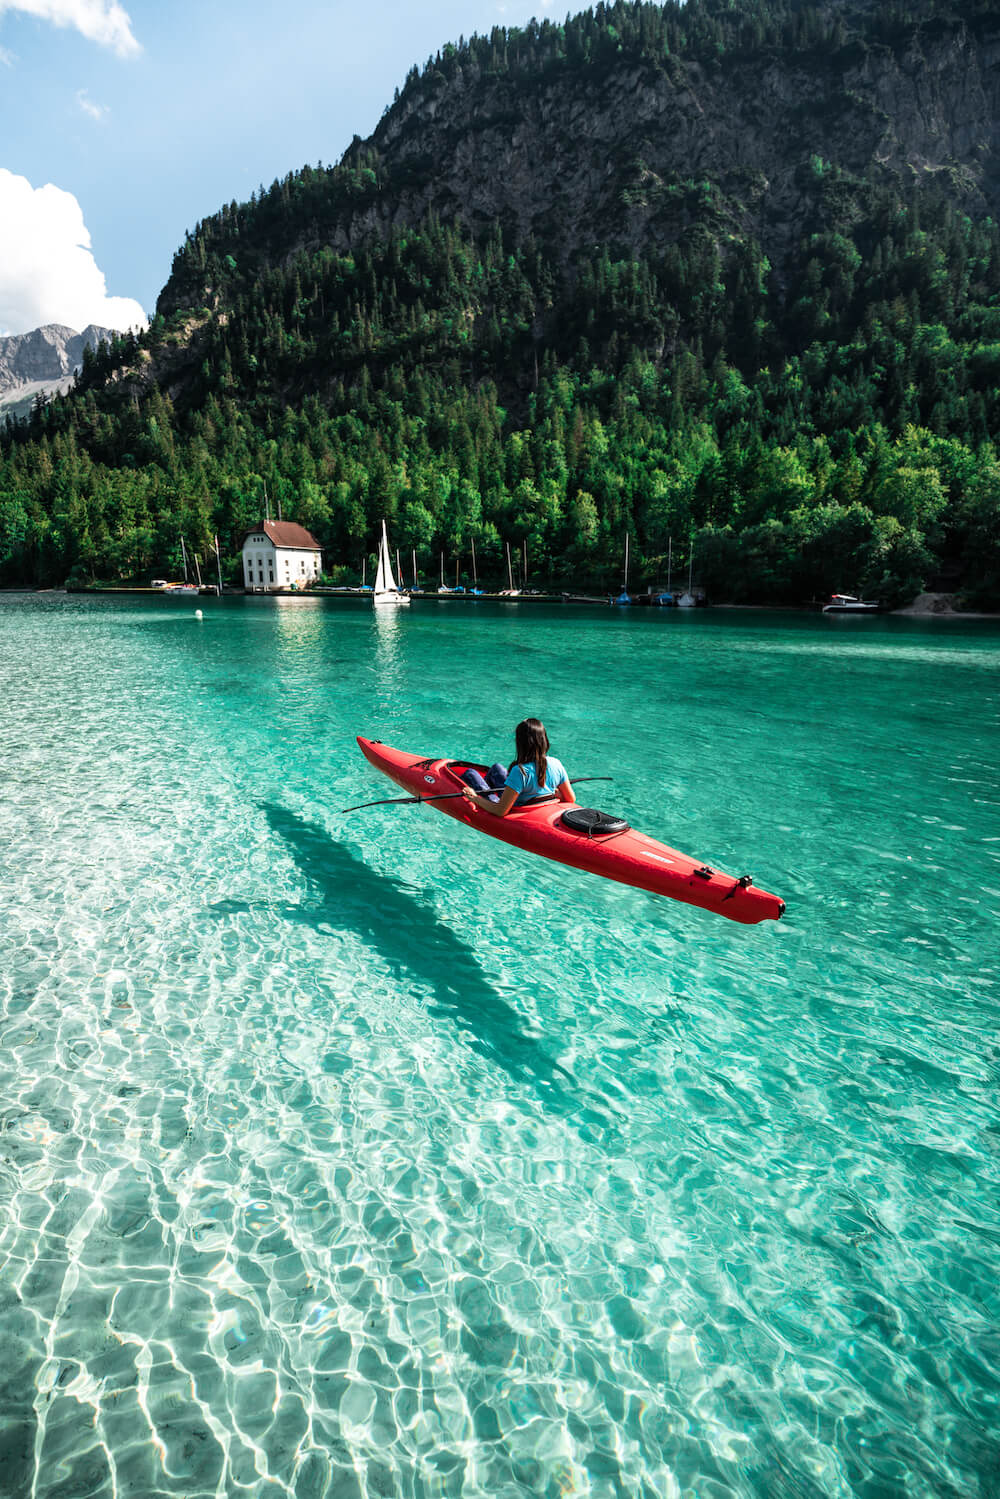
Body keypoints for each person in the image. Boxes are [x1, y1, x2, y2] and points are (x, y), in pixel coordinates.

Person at [462, 718, 576, 818]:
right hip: (529, 800)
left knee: (471, 774)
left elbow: (501, 811)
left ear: (521, 743)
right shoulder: (556, 763)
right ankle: (489, 791)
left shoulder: (520, 771)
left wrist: (474, 798)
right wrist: (551, 792)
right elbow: (570, 799)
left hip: (516, 807)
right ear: (544, 739)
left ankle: (484, 795)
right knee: (497, 768)